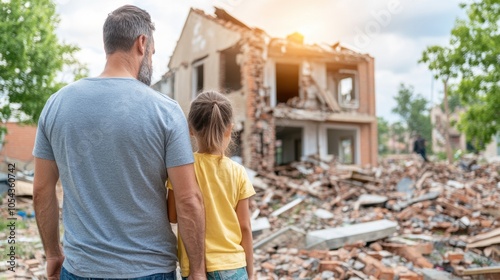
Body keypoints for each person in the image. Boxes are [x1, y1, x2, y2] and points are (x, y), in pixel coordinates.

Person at [32, 5, 206, 280]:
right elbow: (188, 199)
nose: (152, 59)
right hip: (150, 271)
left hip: (80, 270)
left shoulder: (57, 104)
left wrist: (53, 254)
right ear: (142, 43)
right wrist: (197, 271)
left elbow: (42, 191)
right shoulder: (166, 111)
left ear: (107, 45)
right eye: (152, 52)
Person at [167, 91, 256, 280]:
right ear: (229, 130)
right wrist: (252, 272)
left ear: (190, 129)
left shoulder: (184, 169)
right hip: (233, 266)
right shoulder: (238, 172)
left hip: (195, 268)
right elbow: (245, 226)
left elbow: (173, 216)